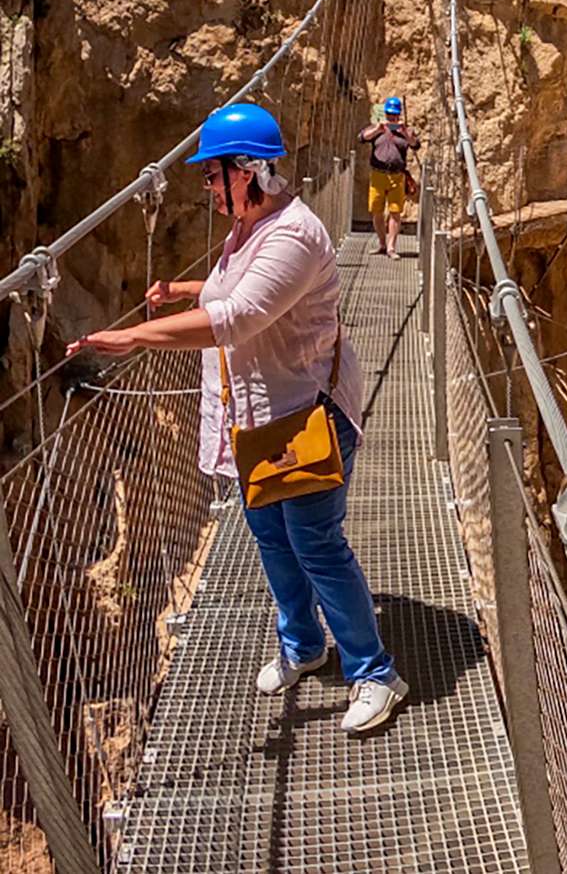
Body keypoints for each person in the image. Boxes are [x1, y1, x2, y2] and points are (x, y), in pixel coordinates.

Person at [69, 102, 407, 734]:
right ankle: (304, 646)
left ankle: (375, 673)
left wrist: (140, 337)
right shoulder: (250, 228)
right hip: (255, 421)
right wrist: (185, 291)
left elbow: (242, 316)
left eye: (212, 174)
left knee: (316, 546)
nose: (207, 186)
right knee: (273, 540)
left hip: (306, 418)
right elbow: (236, 290)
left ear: (249, 172)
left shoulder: (296, 234)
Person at [357, 97, 418, 260]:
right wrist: (378, 129)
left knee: (395, 212)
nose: (392, 118)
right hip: (378, 175)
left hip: (397, 177)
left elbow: (415, 144)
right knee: (376, 211)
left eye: (395, 115)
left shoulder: (406, 132)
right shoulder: (377, 129)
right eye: (390, 114)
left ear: (399, 115)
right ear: (385, 113)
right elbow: (362, 137)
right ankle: (382, 243)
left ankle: (391, 248)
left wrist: (405, 132)